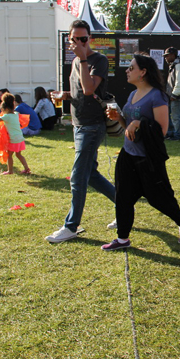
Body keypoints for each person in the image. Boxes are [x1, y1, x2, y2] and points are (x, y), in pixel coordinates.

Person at [102, 54, 180, 251]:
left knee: (158, 199)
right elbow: (128, 128)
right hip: (128, 154)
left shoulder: (157, 96)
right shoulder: (132, 95)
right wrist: (119, 118)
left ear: (143, 72)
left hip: (148, 158)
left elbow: (162, 130)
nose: (127, 70)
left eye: (131, 68)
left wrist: (139, 122)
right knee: (123, 196)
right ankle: (123, 238)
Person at [45, 20, 116, 244]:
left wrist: (83, 58)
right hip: (78, 124)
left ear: (90, 39)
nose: (79, 43)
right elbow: (78, 91)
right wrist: (63, 95)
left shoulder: (98, 60)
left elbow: (88, 89)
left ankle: (71, 226)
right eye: (74, 39)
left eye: (83, 39)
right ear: (69, 40)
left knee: (78, 177)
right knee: (90, 174)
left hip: (92, 126)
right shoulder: (77, 61)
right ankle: (124, 205)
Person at [0, 93, 31, 175]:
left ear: (5, 108)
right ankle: (27, 168)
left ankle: (10, 171)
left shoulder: (6, 116)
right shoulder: (16, 114)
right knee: (19, 155)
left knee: (9, 155)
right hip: (20, 138)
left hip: (13, 139)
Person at [164, 46, 180, 141]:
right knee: (172, 116)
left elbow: (179, 81)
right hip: (172, 96)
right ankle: (172, 133)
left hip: (176, 97)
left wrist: (174, 94)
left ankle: (178, 135)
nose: (165, 58)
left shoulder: (178, 66)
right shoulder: (174, 65)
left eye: (167, 56)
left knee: (176, 117)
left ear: (173, 55)